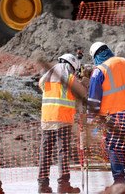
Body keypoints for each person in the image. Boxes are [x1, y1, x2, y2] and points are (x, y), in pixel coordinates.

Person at [87, 41, 125, 192]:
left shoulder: (100, 70)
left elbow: (94, 99)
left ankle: (119, 182)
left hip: (113, 115)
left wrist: (90, 120)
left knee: (114, 147)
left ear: (96, 56)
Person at [38, 53, 82, 193]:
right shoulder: (69, 77)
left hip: (47, 119)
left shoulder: (45, 78)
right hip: (63, 119)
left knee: (46, 151)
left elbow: (43, 87)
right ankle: (63, 184)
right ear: (71, 66)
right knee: (63, 151)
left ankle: (43, 185)